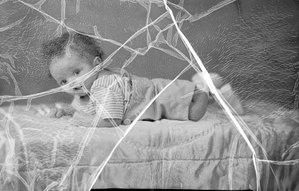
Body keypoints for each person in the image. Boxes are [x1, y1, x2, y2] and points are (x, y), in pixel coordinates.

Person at [41, 31, 243, 127]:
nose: (73, 83)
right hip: (149, 94)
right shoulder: (85, 89)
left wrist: (79, 121)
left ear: (96, 65)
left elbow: (109, 120)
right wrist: (67, 110)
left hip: (158, 96)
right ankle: (215, 92)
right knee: (191, 107)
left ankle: (204, 89)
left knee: (195, 113)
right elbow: (85, 107)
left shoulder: (105, 84)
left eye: (76, 72)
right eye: (63, 82)